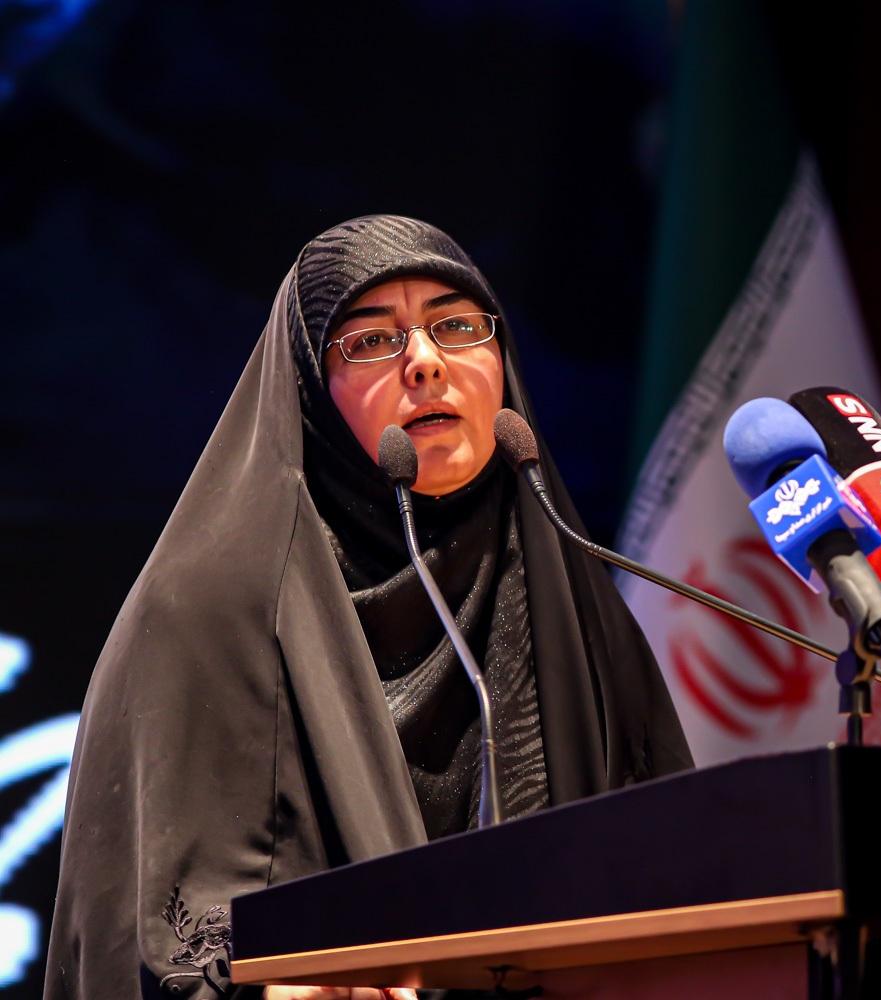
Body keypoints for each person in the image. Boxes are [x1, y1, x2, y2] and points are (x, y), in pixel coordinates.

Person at [43, 215, 693, 999]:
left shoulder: (570, 595)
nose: (425, 362)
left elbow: (677, 886)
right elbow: (149, 927)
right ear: (310, 393)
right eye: (372, 340)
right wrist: (275, 983)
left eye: (457, 326)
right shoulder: (205, 609)